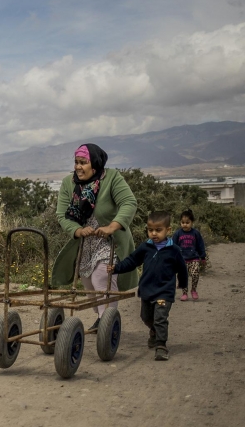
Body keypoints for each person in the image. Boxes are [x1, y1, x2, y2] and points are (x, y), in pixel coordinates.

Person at [52, 143, 138, 331]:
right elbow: (61, 214)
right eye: (76, 162)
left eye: (83, 162)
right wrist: (77, 230)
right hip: (85, 242)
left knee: (102, 275)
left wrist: (112, 226)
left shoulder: (112, 178)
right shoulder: (69, 183)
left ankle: (107, 322)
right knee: (88, 283)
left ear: (95, 164)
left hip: (109, 240)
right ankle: (102, 316)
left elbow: (129, 203)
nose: (78, 167)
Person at [107, 211, 188, 361]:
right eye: (151, 230)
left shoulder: (174, 250)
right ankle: (154, 331)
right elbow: (132, 261)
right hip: (147, 290)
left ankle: (161, 346)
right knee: (145, 317)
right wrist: (116, 268)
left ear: (168, 230)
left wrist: (183, 283)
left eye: (158, 230)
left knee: (160, 318)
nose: (154, 233)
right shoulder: (146, 247)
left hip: (164, 291)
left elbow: (182, 269)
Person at [171, 209, 206, 301]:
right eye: (182, 222)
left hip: (194, 258)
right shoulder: (177, 234)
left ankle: (193, 290)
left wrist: (203, 256)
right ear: (180, 222)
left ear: (192, 222)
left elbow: (200, 245)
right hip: (182, 259)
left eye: (187, 222)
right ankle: (184, 293)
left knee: (195, 273)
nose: (185, 224)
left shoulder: (195, 233)